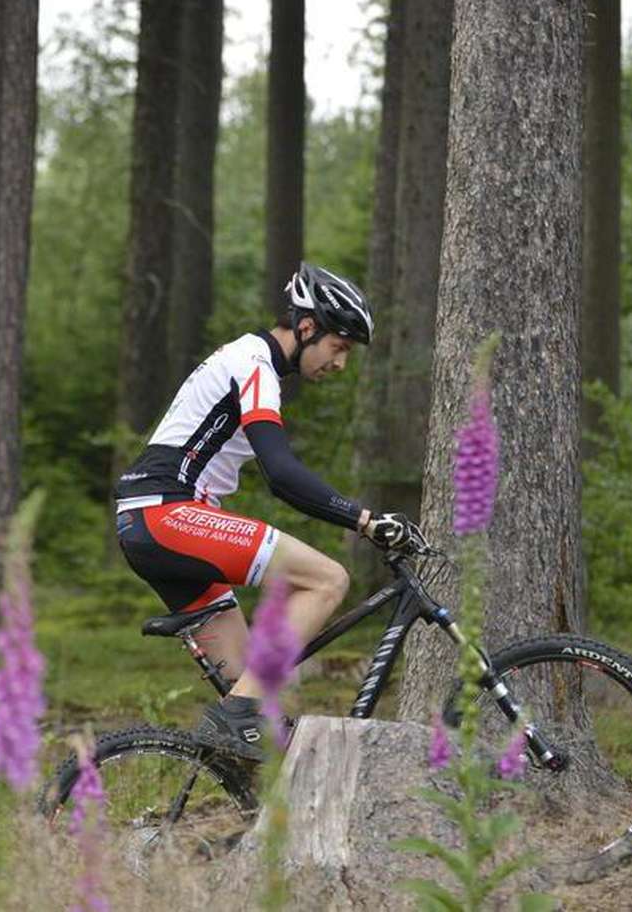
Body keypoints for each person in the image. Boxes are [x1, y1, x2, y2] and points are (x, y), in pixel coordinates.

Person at [113, 262, 415, 758]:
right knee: (328, 580)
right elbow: (282, 474)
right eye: (339, 347)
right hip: (165, 514)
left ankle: (250, 813)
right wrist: (365, 520)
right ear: (306, 327)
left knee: (257, 709)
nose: (340, 364)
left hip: (148, 522)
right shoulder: (253, 362)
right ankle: (238, 724)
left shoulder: (248, 361)